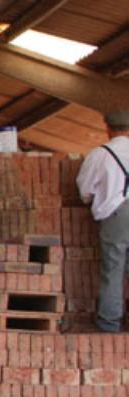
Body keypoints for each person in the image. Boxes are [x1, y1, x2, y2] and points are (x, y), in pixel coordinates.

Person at [77, 109, 129, 333]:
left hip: (117, 214)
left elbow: (85, 190)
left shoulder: (100, 154)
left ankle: (109, 323)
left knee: (114, 269)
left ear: (107, 128)